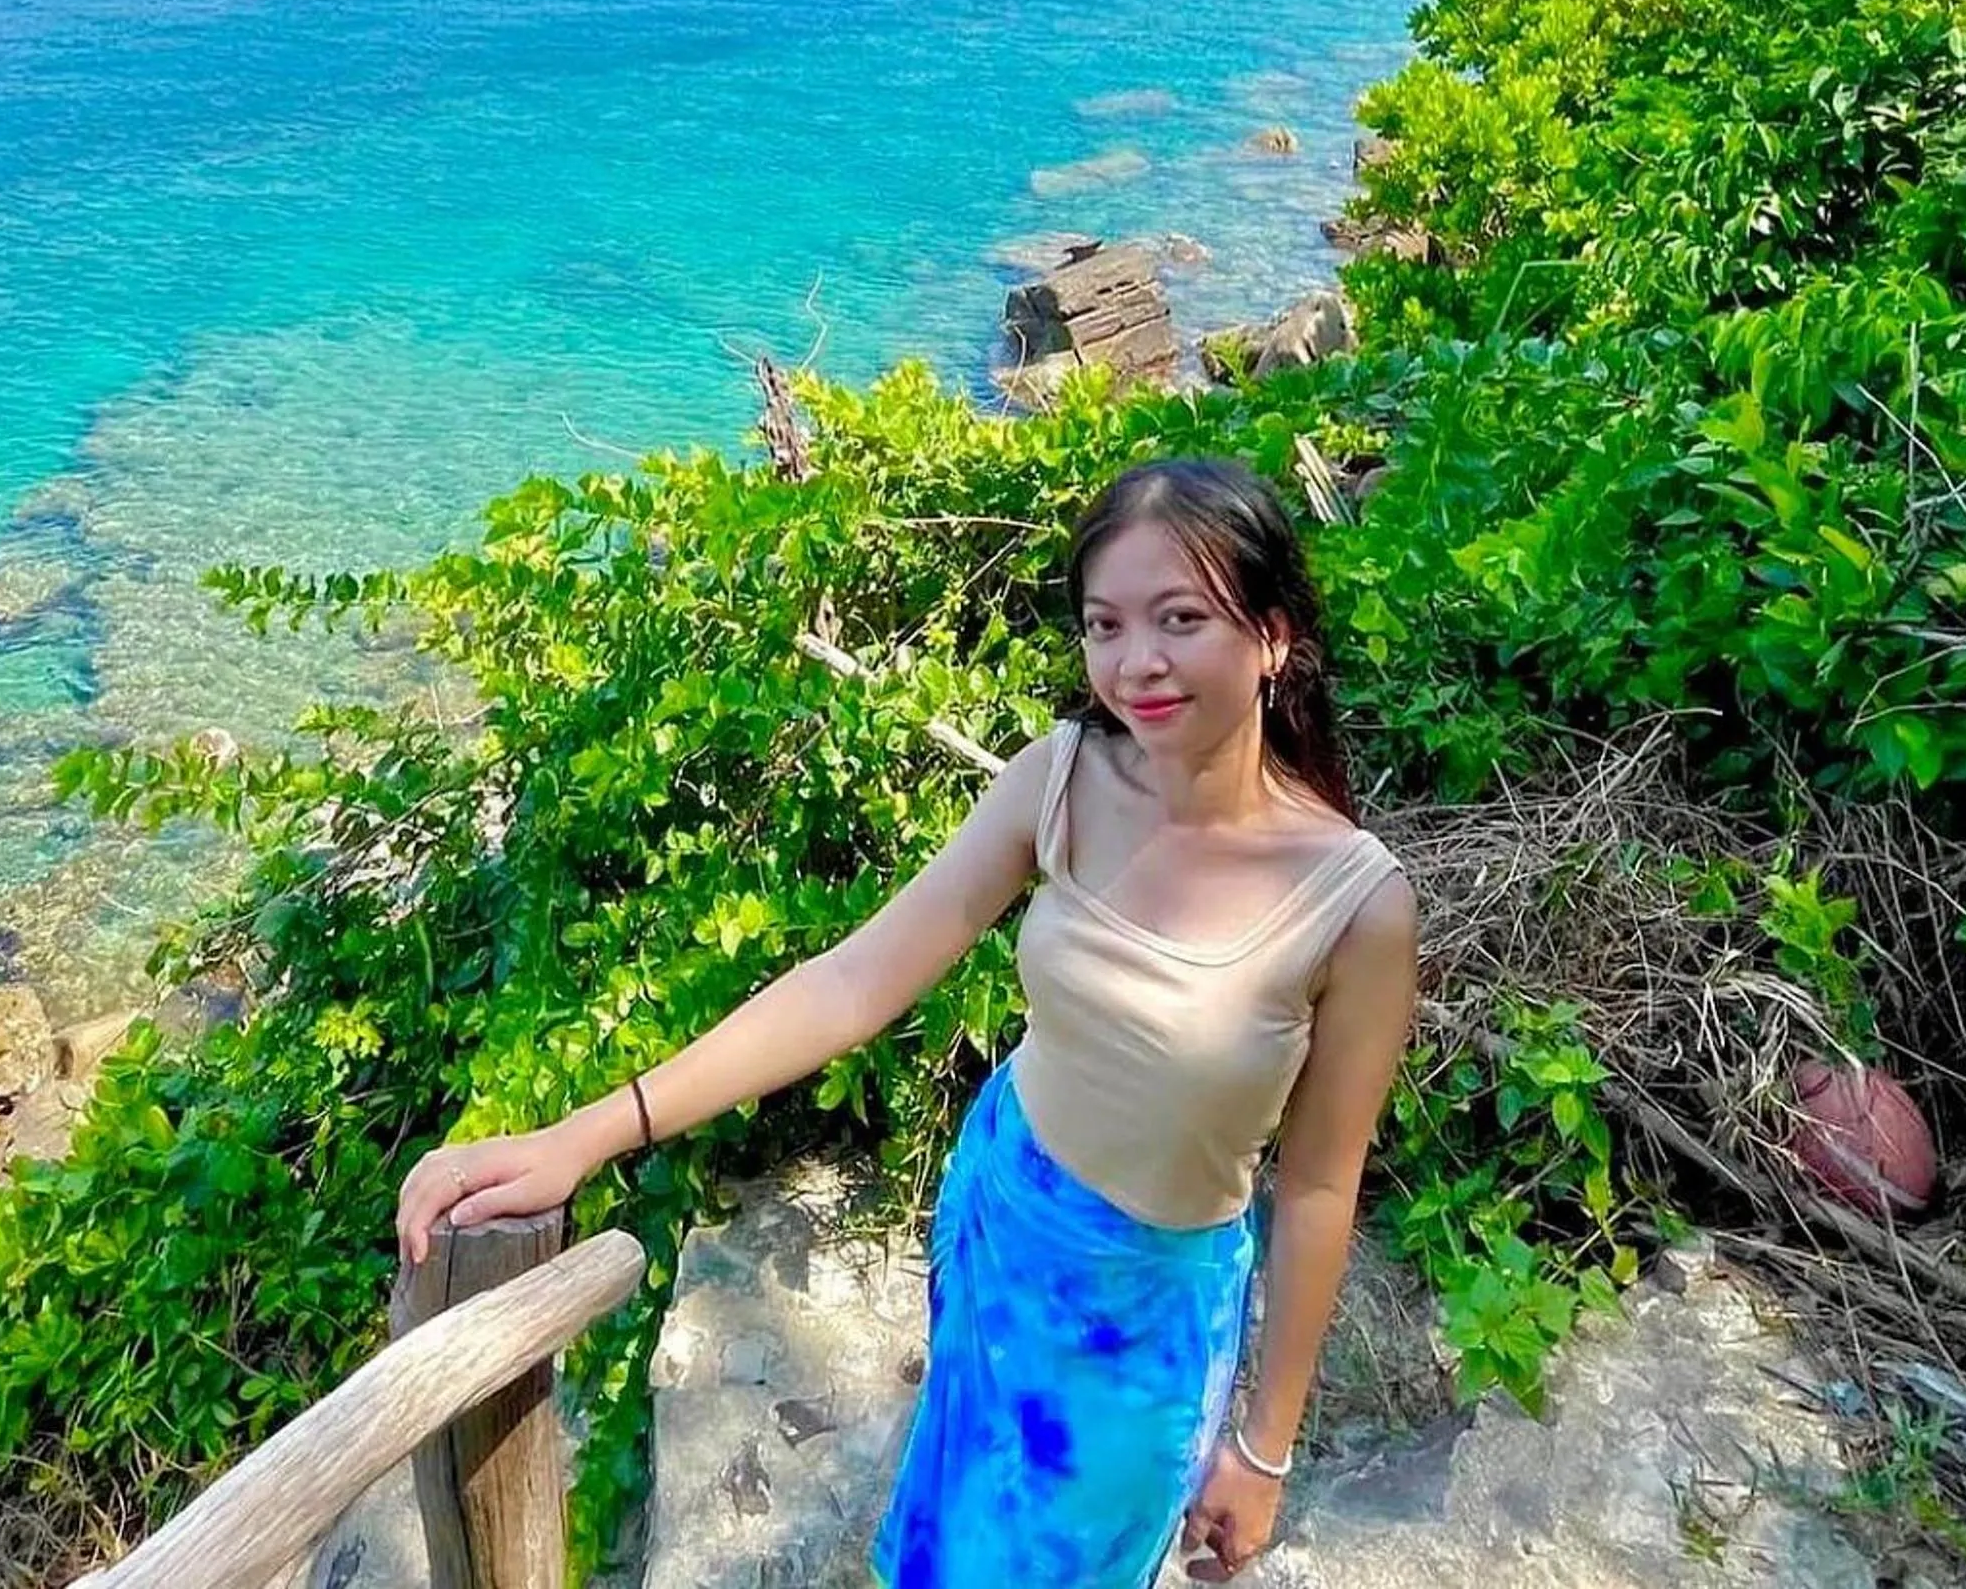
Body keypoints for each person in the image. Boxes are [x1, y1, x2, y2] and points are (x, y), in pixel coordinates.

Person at [396, 457, 1420, 1586]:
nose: (1136, 663)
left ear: (1271, 634)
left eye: (1180, 619)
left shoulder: (1352, 904)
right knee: (945, 1528)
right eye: (1103, 623)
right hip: (1002, 1203)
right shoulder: (1061, 779)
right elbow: (852, 981)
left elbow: (1320, 1184)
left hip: (1139, 1320)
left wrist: (1260, 1449)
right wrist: (579, 1136)